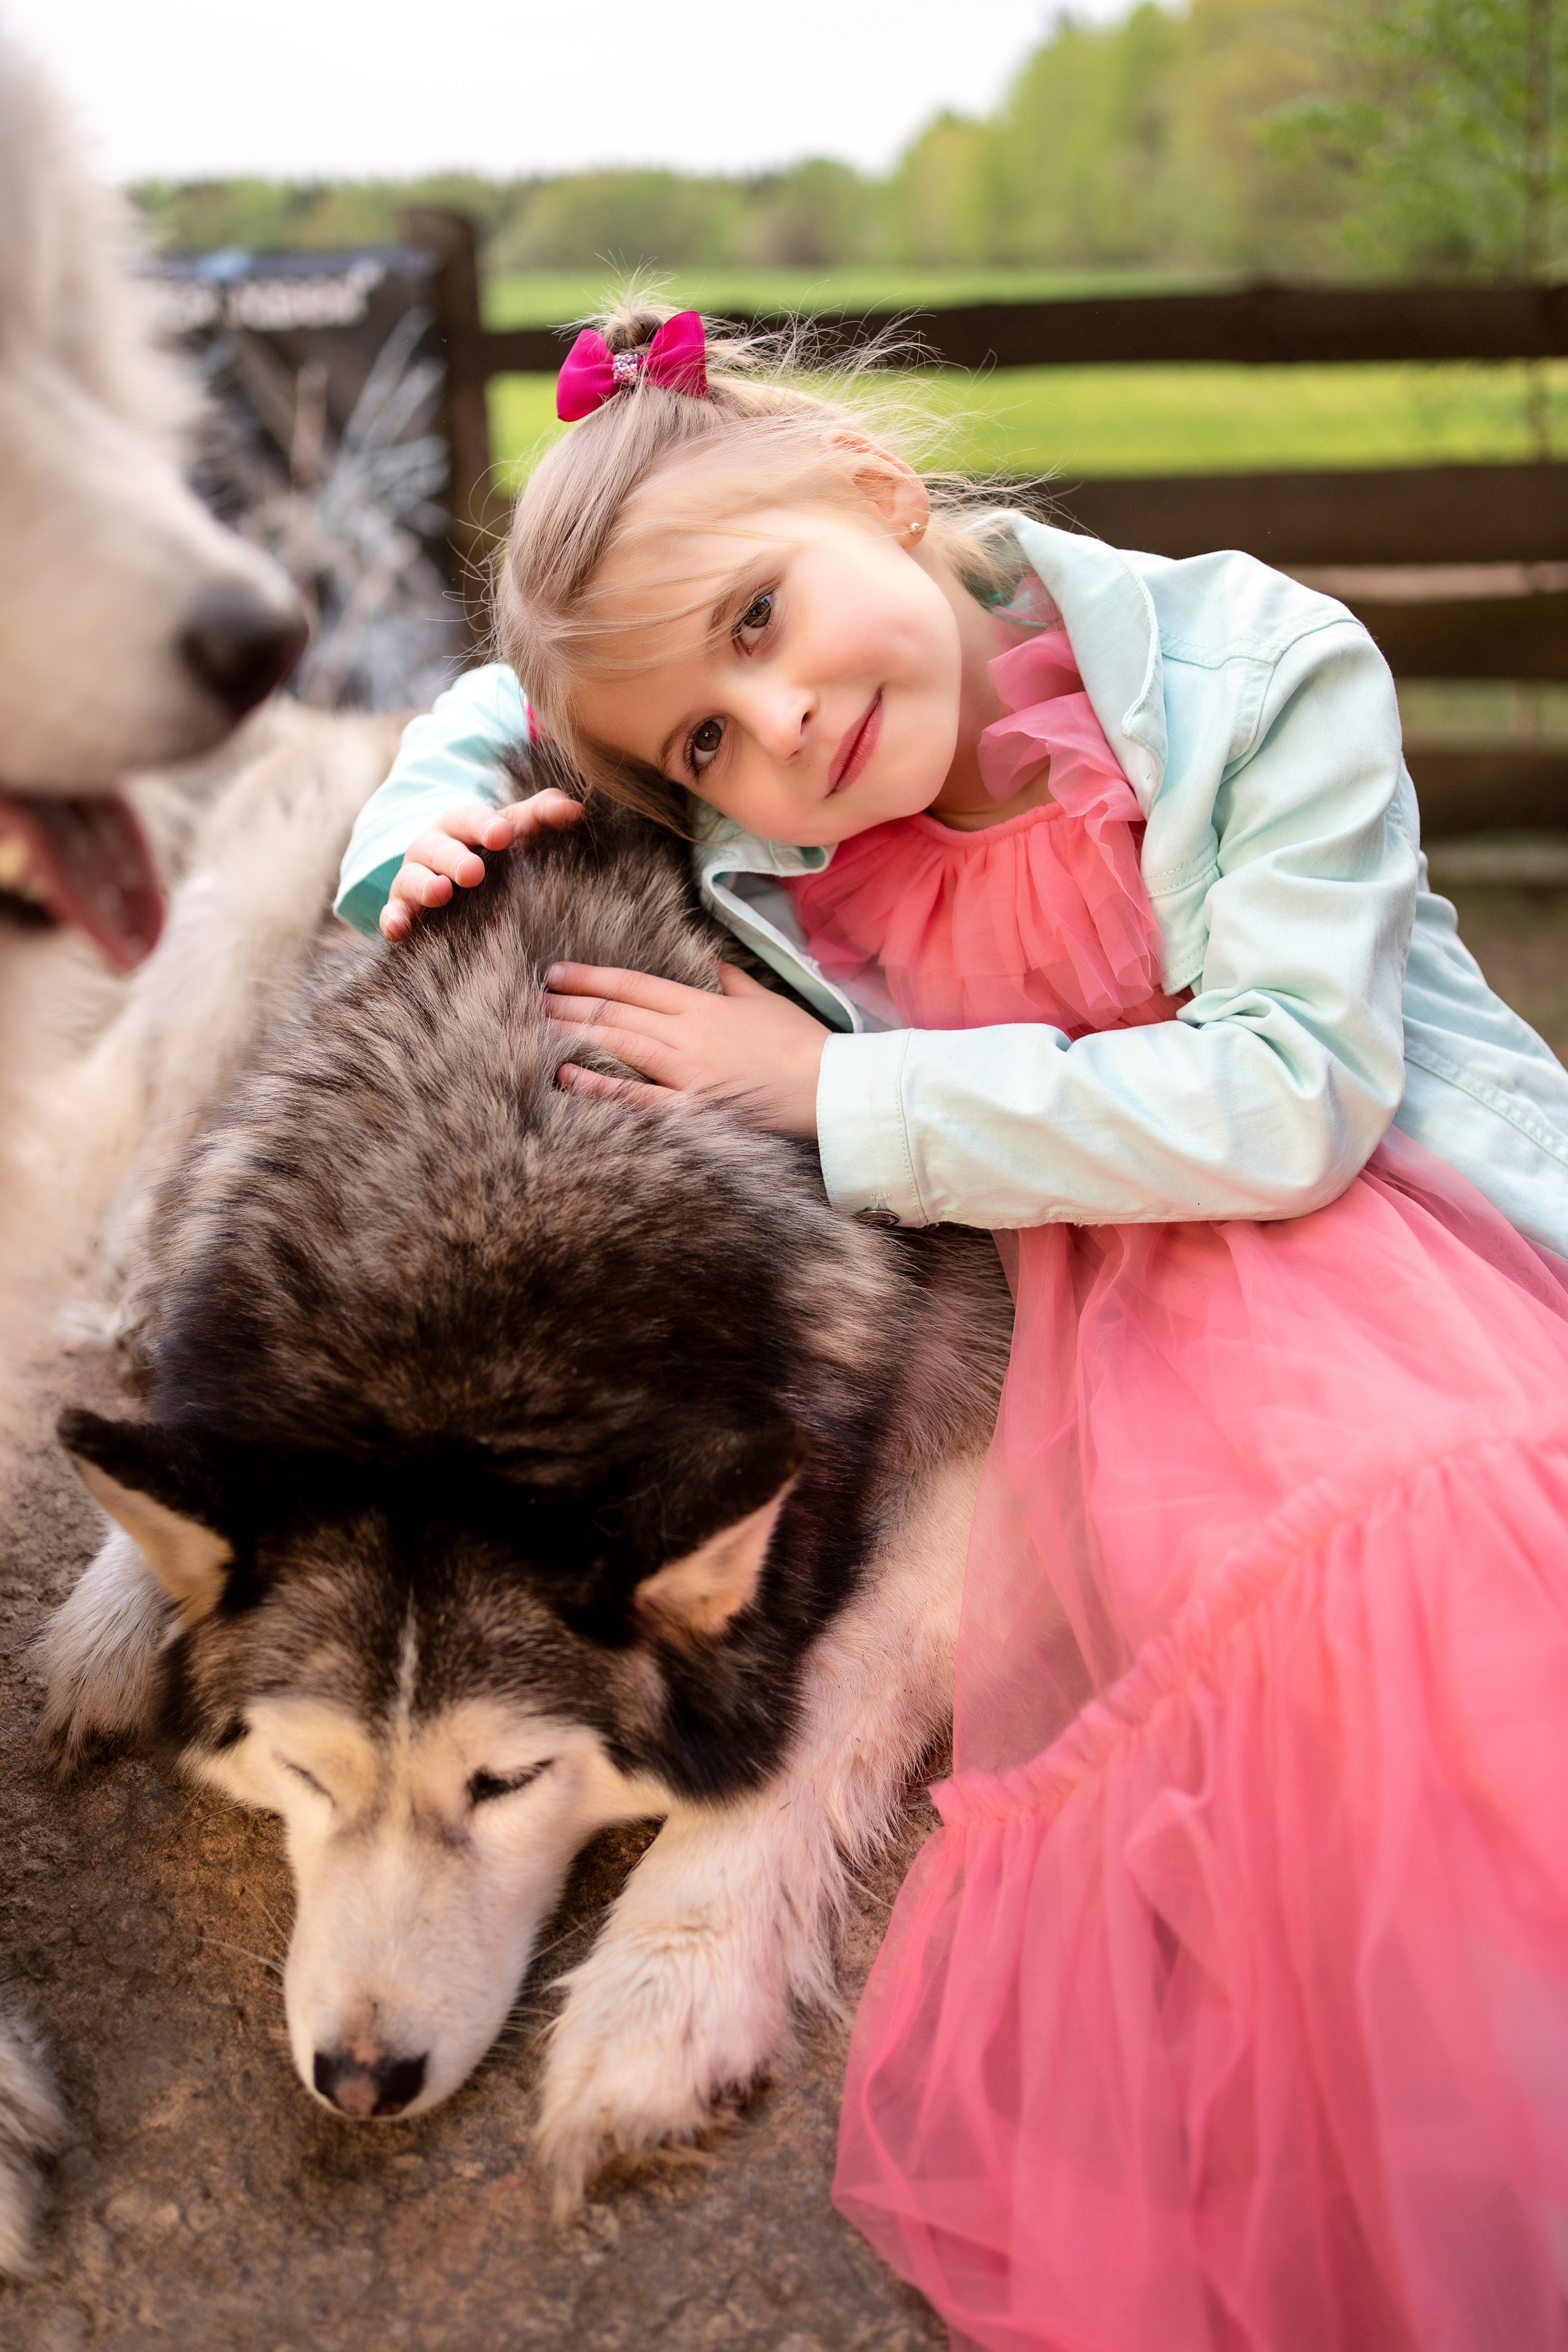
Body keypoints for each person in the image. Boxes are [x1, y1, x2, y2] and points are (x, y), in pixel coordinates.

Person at [336, 302, 1568, 2352]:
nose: (776, 725)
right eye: (704, 742)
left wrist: (828, 1094)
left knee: (1426, 1561)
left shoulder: (1258, 663)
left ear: (877, 494)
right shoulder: (797, 820)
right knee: (1253, 1724)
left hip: (1374, 1243)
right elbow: (505, 694)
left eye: (761, 618)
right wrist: (419, 812)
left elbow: (1289, 1103)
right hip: (1093, 1326)